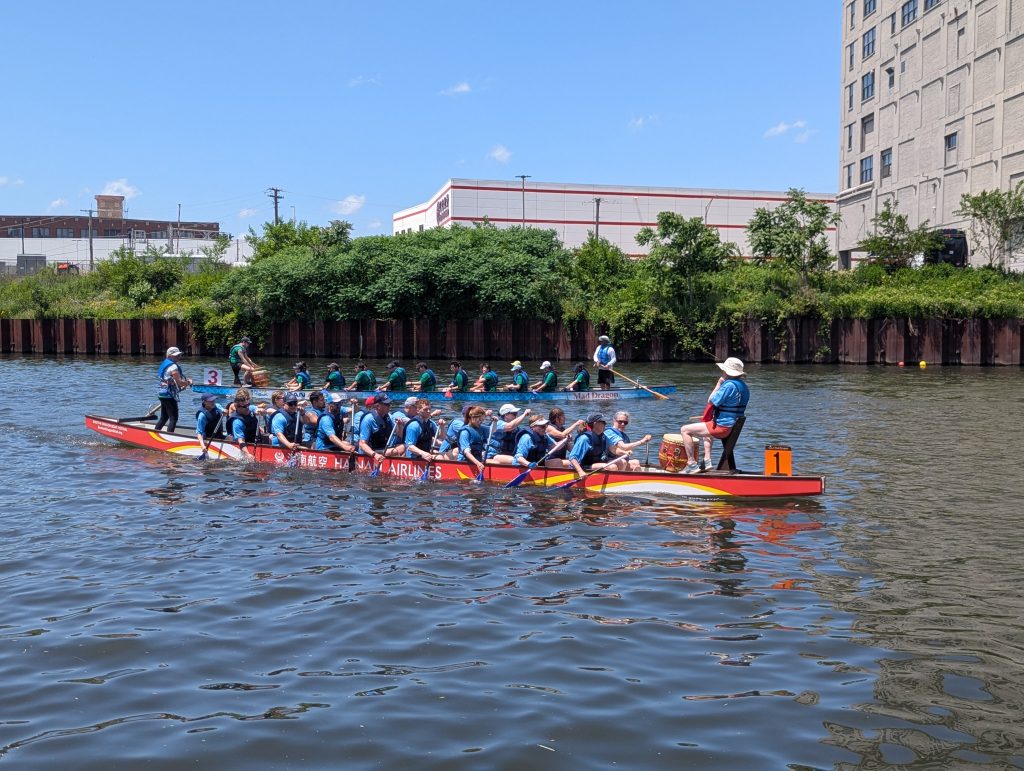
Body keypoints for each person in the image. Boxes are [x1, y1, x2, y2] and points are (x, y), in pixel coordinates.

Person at [677, 357, 750, 474]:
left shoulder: (728, 385)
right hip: (732, 424)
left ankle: (691, 464)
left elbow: (711, 400)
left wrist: (719, 383)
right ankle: (707, 460)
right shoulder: (744, 386)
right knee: (706, 426)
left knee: (685, 430)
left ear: (726, 371)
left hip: (723, 427)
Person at [155, 346, 193, 433]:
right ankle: (170, 436)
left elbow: (172, 381)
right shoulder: (173, 367)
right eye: (176, 356)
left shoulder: (165, 364)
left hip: (162, 393)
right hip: (169, 395)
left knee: (164, 417)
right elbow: (179, 382)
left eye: (179, 355)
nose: (179, 357)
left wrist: (182, 384)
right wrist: (188, 382)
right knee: (173, 418)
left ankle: (156, 433)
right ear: (169, 356)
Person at [567, 413, 614, 477]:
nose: (605, 424)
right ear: (595, 424)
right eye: (603, 422)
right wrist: (580, 472)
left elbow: (613, 449)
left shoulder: (603, 437)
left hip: (595, 464)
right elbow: (572, 458)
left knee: (619, 463)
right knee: (611, 467)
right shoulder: (584, 439)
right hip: (584, 467)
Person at [357, 393, 395, 467]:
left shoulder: (388, 417)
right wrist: (375, 455)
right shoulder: (368, 419)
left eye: (389, 404)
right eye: (386, 404)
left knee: (402, 447)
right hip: (370, 452)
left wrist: (399, 425)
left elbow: (399, 436)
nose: (389, 406)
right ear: (377, 406)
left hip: (382, 449)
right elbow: (362, 444)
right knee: (395, 451)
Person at [457, 406, 489, 477]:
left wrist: (495, 422)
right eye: (479, 420)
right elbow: (467, 452)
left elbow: (494, 430)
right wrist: (478, 463)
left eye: (482, 420)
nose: (481, 422)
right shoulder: (465, 432)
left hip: (478, 459)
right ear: (471, 418)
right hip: (465, 461)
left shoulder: (481, 428)